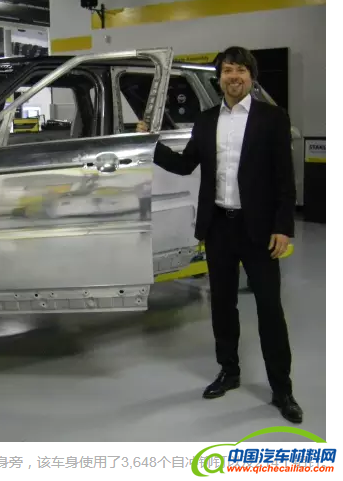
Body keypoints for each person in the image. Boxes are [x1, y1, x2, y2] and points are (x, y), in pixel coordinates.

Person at [137, 46, 302, 423]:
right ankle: (229, 371)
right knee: (222, 305)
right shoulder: (207, 119)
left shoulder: (272, 118)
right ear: (219, 78)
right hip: (219, 228)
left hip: (260, 230)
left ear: (251, 77)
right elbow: (185, 165)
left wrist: (283, 227)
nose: (234, 77)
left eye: (241, 70)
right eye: (228, 70)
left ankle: (282, 388)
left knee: (269, 309)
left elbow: (284, 178)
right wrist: (149, 146)